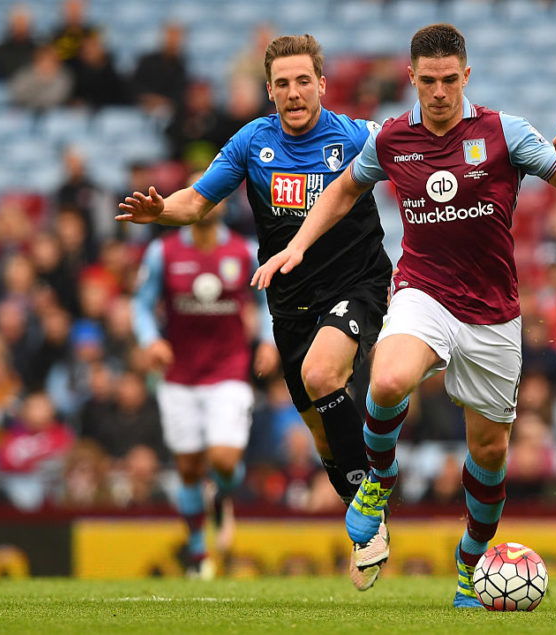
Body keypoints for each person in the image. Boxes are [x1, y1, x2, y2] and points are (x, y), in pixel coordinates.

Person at [254, 23, 556, 607]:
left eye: (449, 80)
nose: (438, 92)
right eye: (427, 81)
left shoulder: (504, 132)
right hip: (423, 292)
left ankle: (471, 566)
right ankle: (377, 486)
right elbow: (341, 191)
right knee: (388, 380)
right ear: (411, 78)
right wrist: (297, 245)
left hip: (493, 313)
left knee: (489, 456)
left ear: (465, 76)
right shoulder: (391, 139)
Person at [117, 35, 393, 590]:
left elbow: (419, 165)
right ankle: (369, 516)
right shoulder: (251, 142)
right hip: (289, 300)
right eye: (283, 84)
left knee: (323, 374)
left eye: (303, 81)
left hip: (358, 284)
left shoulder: (360, 136)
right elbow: (195, 202)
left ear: (322, 83)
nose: (294, 93)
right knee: (319, 432)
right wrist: (160, 211)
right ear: (270, 91)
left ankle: (371, 505)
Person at [130, 173, 273, 578]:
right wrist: (149, 340)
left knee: (223, 460)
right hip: (179, 375)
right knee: (190, 469)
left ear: (225, 202)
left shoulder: (244, 252)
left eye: (217, 192)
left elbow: (265, 302)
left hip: (229, 370)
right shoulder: (163, 252)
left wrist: (266, 340)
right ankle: (197, 554)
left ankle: (223, 496)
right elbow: (140, 305)